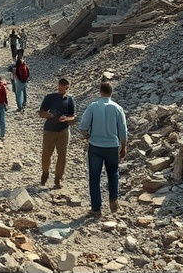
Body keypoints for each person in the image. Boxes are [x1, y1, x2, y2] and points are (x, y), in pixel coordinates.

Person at [78, 81, 128, 218]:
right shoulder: (118, 108)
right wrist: (123, 146)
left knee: (94, 177)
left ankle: (96, 209)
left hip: (96, 146)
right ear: (111, 92)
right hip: (112, 146)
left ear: (100, 91)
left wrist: (86, 136)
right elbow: (123, 130)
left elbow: (83, 126)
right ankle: (114, 199)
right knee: (113, 173)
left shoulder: (93, 106)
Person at [37, 78, 76, 189]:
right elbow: (41, 113)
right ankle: (45, 172)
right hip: (49, 130)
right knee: (46, 154)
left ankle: (58, 179)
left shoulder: (70, 99)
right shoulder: (50, 97)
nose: (61, 88)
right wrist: (49, 115)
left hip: (63, 130)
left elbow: (73, 116)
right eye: (60, 86)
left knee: (62, 155)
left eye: (64, 87)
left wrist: (66, 119)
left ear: (67, 87)